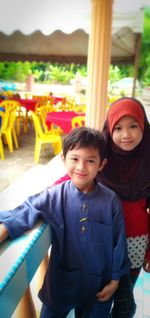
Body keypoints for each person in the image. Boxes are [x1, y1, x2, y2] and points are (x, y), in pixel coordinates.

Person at [0, 127, 130, 318]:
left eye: (90, 161)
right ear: (63, 159)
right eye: (75, 159)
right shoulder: (54, 196)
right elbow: (28, 209)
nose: (81, 167)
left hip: (99, 286)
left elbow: (119, 243)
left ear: (101, 164)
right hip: (61, 283)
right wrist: (5, 229)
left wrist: (115, 280)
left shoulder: (110, 201)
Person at [52, 97, 150, 317]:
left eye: (133, 126)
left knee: (123, 301)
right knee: (103, 298)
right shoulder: (103, 159)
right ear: (109, 127)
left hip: (136, 243)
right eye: (118, 127)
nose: (126, 134)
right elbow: (74, 175)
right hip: (104, 242)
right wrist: (49, 193)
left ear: (143, 125)